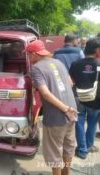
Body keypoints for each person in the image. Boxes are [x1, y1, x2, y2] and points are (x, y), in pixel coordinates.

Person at [24, 40, 77, 175]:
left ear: (35, 54)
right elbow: (70, 83)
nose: (29, 58)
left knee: (54, 151)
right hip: (73, 110)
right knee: (68, 146)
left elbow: (46, 93)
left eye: (29, 55)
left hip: (57, 114)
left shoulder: (36, 68)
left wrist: (64, 108)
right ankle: (67, 173)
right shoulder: (58, 62)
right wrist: (68, 108)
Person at [69, 38, 100, 159]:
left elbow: (70, 81)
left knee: (79, 124)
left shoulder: (75, 64)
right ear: (97, 50)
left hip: (78, 98)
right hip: (96, 101)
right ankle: (88, 146)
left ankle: (82, 150)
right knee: (92, 124)